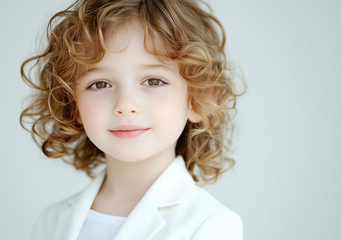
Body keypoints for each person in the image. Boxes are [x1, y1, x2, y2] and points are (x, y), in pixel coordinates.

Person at [20, 0, 247, 239]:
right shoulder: (52, 222)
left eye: (153, 81)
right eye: (99, 84)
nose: (125, 105)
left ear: (198, 99)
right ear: (72, 103)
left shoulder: (210, 224)